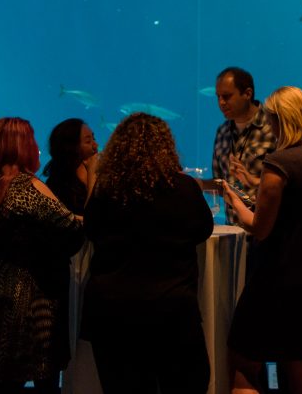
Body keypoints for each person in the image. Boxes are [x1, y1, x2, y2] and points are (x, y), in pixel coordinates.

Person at [80, 112, 214, 394]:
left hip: (112, 313)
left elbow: (90, 228)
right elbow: (203, 229)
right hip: (171, 311)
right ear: (166, 147)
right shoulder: (183, 187)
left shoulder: (107, 189)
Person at [0, 118, 84, 392]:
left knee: (0, 379)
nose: (36, 148)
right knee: (42, 375)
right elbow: (72, 226)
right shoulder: (25, 187)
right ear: (20, 146)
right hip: (26, 298)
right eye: (31, 140)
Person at [222, 86, 302, 394]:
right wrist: (255, 186)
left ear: (283, 120)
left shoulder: (280, 163)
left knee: (243, 361)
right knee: (300, 368)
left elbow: (260, 228)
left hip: (279, 278)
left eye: (271, 119)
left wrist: (235, 201)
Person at [212, 66, 278, 225]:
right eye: (218, 97)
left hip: (267, 235)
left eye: (227, 96)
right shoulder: (222, 131)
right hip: (233, 233)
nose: (221, 103)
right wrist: (196, 184)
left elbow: (288, 185)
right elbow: (220, 183)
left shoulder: (273, 127)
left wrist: (254, 181)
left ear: (247, 94)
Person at [42, 118, 99, 216]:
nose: (96, 145)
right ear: (72, 148)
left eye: (94, 139)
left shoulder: (103, 178)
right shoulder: (58, 188)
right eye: (88, 141)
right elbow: (90, 222)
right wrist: (92, 174)